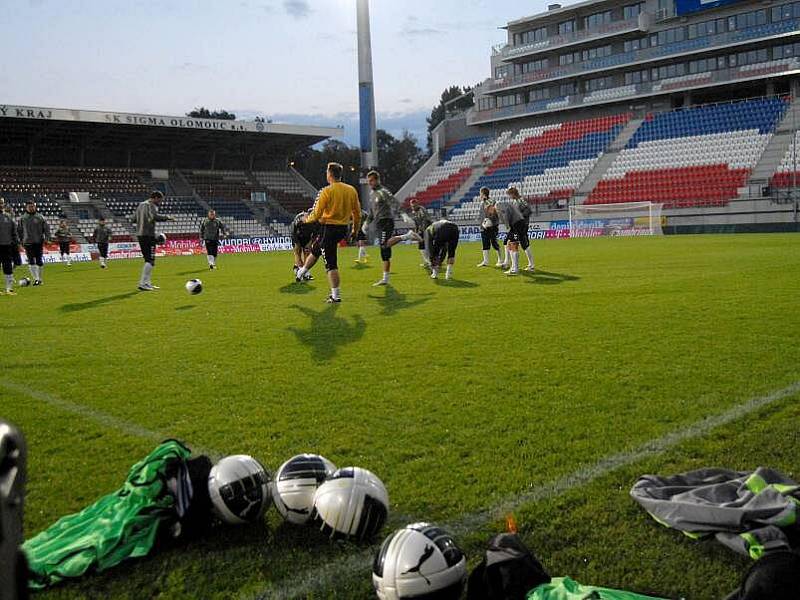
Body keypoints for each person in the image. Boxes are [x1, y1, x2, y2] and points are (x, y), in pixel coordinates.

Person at [295, 162, 361, 303]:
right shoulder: (351, 190)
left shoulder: (327, 191)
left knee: (331, 263)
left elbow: (316, 214)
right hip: (342, 229)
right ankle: (301, 272)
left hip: (329, 229)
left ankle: (335, 296)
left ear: (329, 174)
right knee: (316, 249)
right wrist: (355, 230)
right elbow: (357, 214)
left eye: (326, 172)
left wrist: (306, 220)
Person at [364, 170, 404, 287]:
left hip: (386, 220)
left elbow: (394, 202)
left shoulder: (383, 191)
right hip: (379, 223)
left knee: (384, 244)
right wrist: (366, 223)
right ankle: (385, 279)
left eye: (371, 181)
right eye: (368, 181)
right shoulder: (372, 194)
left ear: (377, 180)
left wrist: (403, 214)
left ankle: (406, 236)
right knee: (384, 251)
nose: (370, 183)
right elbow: (372, 212)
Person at [134, 191, 174, 291]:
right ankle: (143, 283)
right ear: (155, 198)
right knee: (150, 260)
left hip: (140, 234)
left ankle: (147, 283)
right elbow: (155, 217)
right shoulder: (150, 205)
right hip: (148, 235)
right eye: (160, 200)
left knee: (149, 260)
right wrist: (167, 218)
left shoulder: (140, 205)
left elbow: (133, 219)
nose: (160, 202)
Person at [497, 187, 534, 276]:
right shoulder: (514, 202)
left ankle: (529, 265)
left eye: (509, 194)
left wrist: (519, 216)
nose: (509, 196)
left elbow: (529, 211)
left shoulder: (521, 200)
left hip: (521, 225)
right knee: (508, 242)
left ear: (513, 194)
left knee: (523, 244)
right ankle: (510, 263)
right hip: (516, 225)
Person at [17, 201, 51, 286]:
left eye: (32, 206)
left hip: (38, 242)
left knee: (39, 261)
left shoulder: (40, 217)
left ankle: (40, 279)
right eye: (29, 207)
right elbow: (19, 231)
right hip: (27, 243)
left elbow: (46, 229)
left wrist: (47, 239)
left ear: (35, 207)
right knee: (31, 261)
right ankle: (36, 279)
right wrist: (20, 242)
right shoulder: (22, 218)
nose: (31, 208)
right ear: (26, 208)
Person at [476, 187, 503, 268]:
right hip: (483, 227)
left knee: (494, 243)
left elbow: (493, 214)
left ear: (483, 194)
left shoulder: (491, 202)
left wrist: (490, 222)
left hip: (492, 226)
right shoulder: (482, 203)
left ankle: (500, 259)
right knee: (485, 244)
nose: (479, 195)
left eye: (480, 193)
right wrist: (481, 224)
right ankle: (486, 261)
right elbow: (481, 215)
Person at [290, 209, 319, 281]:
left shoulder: (316, 220)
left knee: (307, 253)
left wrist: (310, 243)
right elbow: (293, 229)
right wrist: (297, 243)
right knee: (298, 252)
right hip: (297, 235)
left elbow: (315, 234)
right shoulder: (299, 218)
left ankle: (305, 272)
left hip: (307, 237)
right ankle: (300, 270)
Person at [0, 205, 19, 295]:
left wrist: (15, 242)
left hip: (7, 245)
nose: (0, 205)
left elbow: (14, 231)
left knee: (8, 267)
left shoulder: (8, 216)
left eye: (1, 203)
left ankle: (9, 289)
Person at [409, 199, 433, 268]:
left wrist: (422, 230)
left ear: (417, 204)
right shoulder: (414, 212)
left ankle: (430, 261)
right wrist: (416, 231)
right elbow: (416, 222)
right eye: (412, 206)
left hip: (427, 229)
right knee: (422, 246)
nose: (413, 207)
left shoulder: (422, 210)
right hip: (421, 230)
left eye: (414, 206)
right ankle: (427, 261)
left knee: (426, 246)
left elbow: (425, 220)